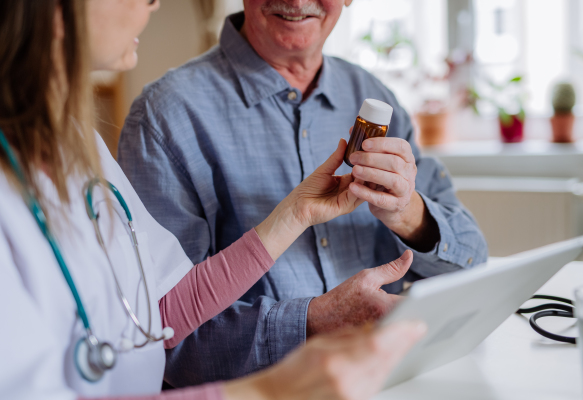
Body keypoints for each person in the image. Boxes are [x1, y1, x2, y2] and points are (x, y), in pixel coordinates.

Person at [0, 0, 426, 399]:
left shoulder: (77, 142)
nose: (153, 3)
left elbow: (164, 308)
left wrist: (297, 213)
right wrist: (269, 391)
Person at [118, 0, 489, 385]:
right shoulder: (165, 116)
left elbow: (474, 263)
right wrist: (312, 322)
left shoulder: (375, 96)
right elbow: (160, 337)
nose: (296, 1)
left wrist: (408, 213)